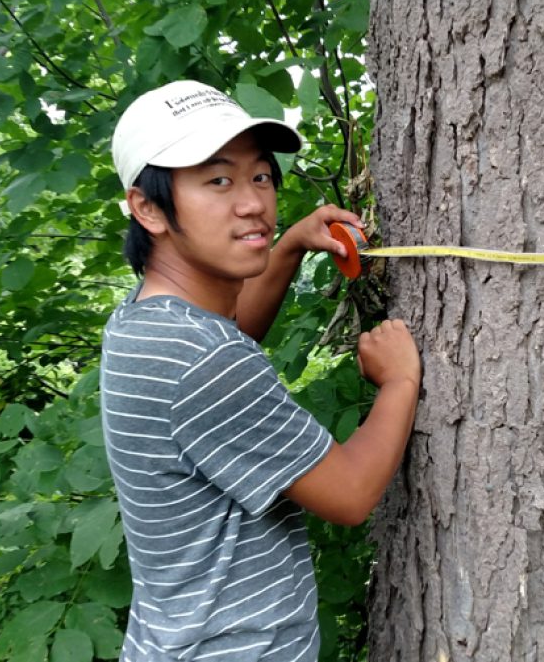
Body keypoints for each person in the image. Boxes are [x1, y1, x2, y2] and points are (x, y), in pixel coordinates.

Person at [100, 80, 421, 661]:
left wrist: (292, 244)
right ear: (147, 207)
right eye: (217, 180)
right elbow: (349, 495)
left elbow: (232, 331)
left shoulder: (146, 324)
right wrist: (399, 382)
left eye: (261, 176)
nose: (253, 203)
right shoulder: (204, 361)